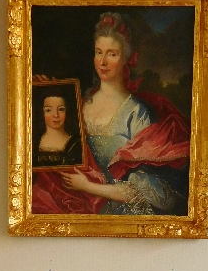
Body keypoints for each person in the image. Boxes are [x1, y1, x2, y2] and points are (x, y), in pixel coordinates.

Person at [32, 12, 190, 216]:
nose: (103, 62)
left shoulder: (136, 113)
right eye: (99, 52)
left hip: (118, 218)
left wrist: (88, 187)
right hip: (77, 211)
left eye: (112, 54)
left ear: (127, 59)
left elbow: (149, 193)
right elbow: (51, 155)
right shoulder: (78, 106)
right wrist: (43, 92)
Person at [35, 94, 82, 168]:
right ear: (42, 113)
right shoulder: (34, 142)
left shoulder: (76, 143)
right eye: (48, 110)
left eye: (61, 109)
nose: (56, 115)